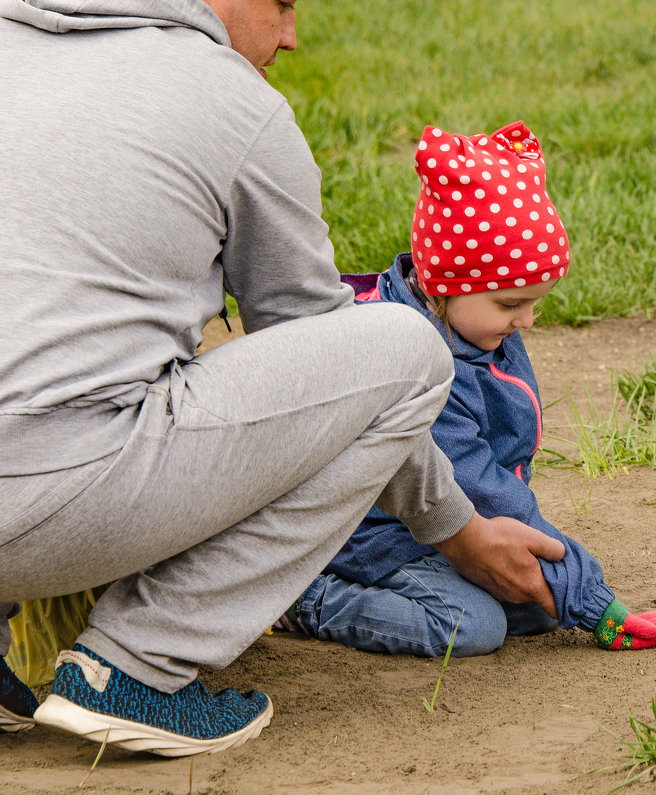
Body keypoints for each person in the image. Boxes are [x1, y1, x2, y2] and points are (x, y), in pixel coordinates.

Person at [0, 0, 564, 756]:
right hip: (50, 508)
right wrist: (457, 531)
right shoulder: (231, 100)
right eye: (283, 4)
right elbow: (323, 343)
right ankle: (137, 664)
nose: (292, 34)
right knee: (402, 350)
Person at [280, 122, 656, 656]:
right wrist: (591, 599)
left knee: (534, 607)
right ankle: (308, 598)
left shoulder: (474, 329)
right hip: (368, 535)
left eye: (536, 302)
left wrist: (558, 589)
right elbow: (482, 485)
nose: (527, 321)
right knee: (472, 625)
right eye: (511, 304)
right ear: (443, 284)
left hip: (441, 523)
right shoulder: (421, 360)